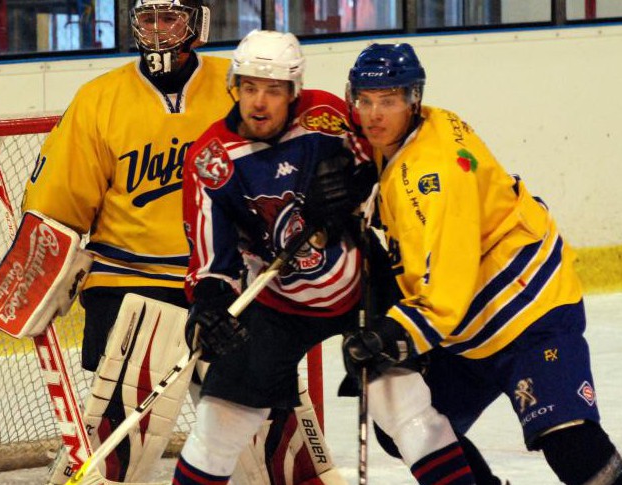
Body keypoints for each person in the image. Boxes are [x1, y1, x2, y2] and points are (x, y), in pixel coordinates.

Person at [21, 2, 322, 484]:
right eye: (148, 19)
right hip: (130, 277)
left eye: (171, 18)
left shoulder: (238, 86)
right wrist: (47, 262)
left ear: (197, 23)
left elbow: (291, 160)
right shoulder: (99, 99)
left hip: (225, 278)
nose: (158, 30)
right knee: (125, 428)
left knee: (270, 427)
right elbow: (57, 200)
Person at [173, 30, 476, 485]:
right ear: (234, 87)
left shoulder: (326, 116)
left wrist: (352, 190)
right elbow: (213, 261)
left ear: (293, 92)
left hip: (361, 283)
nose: (259, 103)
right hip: (276, 301)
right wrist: (211, 305)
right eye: (249, 88)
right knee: (217, 429)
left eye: (273, 90)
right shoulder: (211, 162)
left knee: (408, 412)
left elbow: (383, 166)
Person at [342, 42, 622, 485]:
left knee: (571, 446)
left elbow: (446, 288)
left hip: (527, 313)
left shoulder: (436, 177)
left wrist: (392, 334)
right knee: (408, 424)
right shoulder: (421, 127)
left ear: (413, 99)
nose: (374, 115)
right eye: (365, 101)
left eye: (387, 101)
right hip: (470, 328)